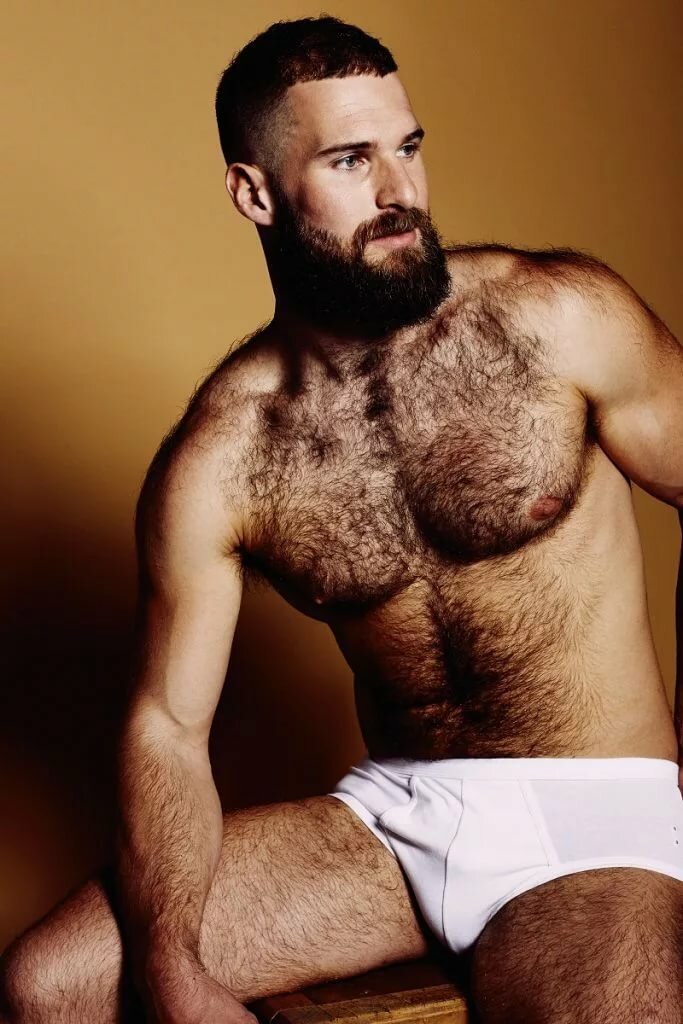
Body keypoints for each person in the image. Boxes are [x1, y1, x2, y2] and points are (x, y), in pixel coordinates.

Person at [1, 15, 682, 1024]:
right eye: (351, 160)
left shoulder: (556, 318)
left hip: (596, 811)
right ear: (255, 193)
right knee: (45, 989)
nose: (400, 190)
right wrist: (174, 971)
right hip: (396, 818)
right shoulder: (221, 455)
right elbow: (167, 727)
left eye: (408, 147)